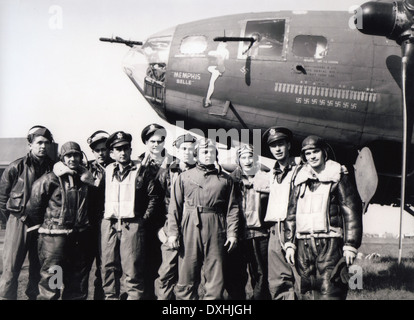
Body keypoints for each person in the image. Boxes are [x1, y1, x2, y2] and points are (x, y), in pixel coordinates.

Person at [284, 135, 363, 300]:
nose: (312, 156)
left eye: (315, 151)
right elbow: (291, 214)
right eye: (307, 153)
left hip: (330, 245)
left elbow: (351, 211)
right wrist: (290, 243)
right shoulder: (299, 179)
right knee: (308, 293)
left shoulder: (337, 176)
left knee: (331, 292)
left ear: (324, 152)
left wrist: (350, 245)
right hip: (303, 247)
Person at [167, 138, 239, 300]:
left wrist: (232, 233)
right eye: (204, 152)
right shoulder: (184, 177)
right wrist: (173, 232)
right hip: (190, 225)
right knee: (187, 271)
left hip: (216, 225)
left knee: (215, 274)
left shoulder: (226, 180)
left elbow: (232, 209)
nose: (208, 155)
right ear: (197, 154)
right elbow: (174, 207)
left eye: (212, 152)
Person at [25, 141, 95, 300]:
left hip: (79, 238)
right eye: (68, 155)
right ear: (62, 158)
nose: (72, 159)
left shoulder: (86, 180)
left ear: (80, 156)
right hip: (54, 239)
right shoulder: (50, 179)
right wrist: (47, 228)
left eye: (76, 155)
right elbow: (34, 207)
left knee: (77, 281)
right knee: (52, 281)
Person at [101, 131, 161, 300]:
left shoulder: (142, 170)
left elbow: (153, 197)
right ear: (111, 153)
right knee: (108, 268)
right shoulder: (107, 170)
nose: (122, 152)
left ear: (130, 149)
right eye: (118, 149)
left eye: (125, 148)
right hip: (109, 224)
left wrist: (143, 220)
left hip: (132, 224)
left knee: (132, 270)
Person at [0, 125, 55, 300]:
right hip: (18, 223)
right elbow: (2, 199)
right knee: (10, 272)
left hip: (44, 226)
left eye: (46, 143)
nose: (43, 147)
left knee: (43, 271)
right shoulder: (15, 167)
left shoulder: (54, 168)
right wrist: (9, 224)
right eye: (39, 142)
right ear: (29, 144)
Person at [154, 133, 197, 300]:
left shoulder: (200, 170)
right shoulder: (168, 171)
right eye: (183, 148)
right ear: (177, 150)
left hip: (193, 227)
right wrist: (162, 229)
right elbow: (157, 199)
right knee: (166, 272)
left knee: (188, 276)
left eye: (190, 149)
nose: (187, 152)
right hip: (170, 226)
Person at [262, 126, 301, 300]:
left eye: (281, 144)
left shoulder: (301, 167)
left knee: (301, 278)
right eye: (273, 145)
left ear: (289, 145)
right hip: (274, 231)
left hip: (295, 229)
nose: (277, 149)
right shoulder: (271, 172)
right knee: (278, 281)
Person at [228, 144, 271, 300]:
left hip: (260, 233)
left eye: (250, 156)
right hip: (238, 234)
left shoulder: (266, 178)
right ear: (238, 160)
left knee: (261, 273)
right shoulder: (232, 180)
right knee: (236, 275)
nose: (247, 161)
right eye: (243, 157)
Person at [138, 123, 173, 299]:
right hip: (144, 221)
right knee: (144, 265)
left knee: (166, 266)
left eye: (160, 141)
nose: (156, 145)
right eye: (152, 141)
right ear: (145, 142)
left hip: (166, 220)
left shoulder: (174, 163)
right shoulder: (137, 163)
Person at [86, 130, 113, 300]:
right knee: (82, 266)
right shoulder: (85, 168)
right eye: (97, 150)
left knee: (105, 267)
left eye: (104, 149)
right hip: (88, 224)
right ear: (93, 151)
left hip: (108, 223)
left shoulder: (115, 168)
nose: (101, 153)